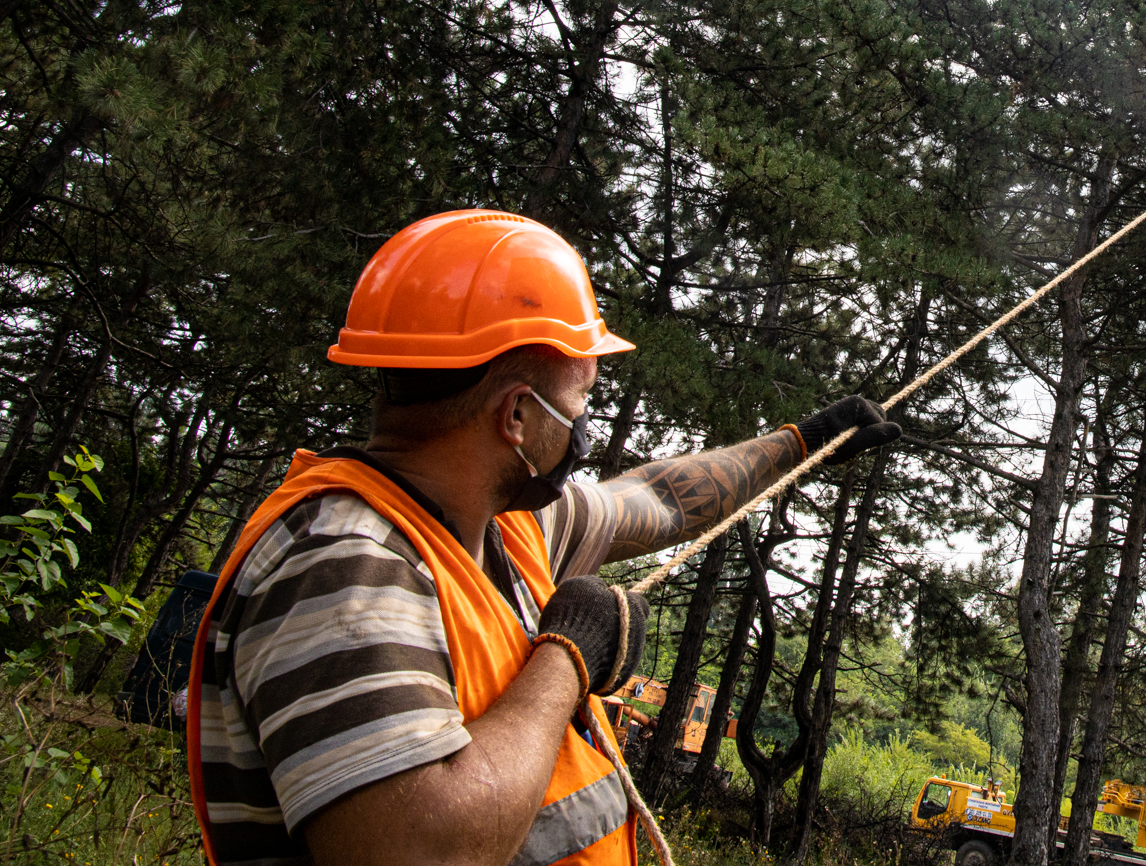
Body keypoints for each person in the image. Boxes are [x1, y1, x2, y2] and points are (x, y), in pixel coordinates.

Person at [187, 210, 899, 866]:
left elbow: (656, 498)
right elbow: (424, 851)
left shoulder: (507, 525)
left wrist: (800, 443)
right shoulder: (343, 563)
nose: (585, 422)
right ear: (518, 416)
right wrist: (567, 658)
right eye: (581, 399)